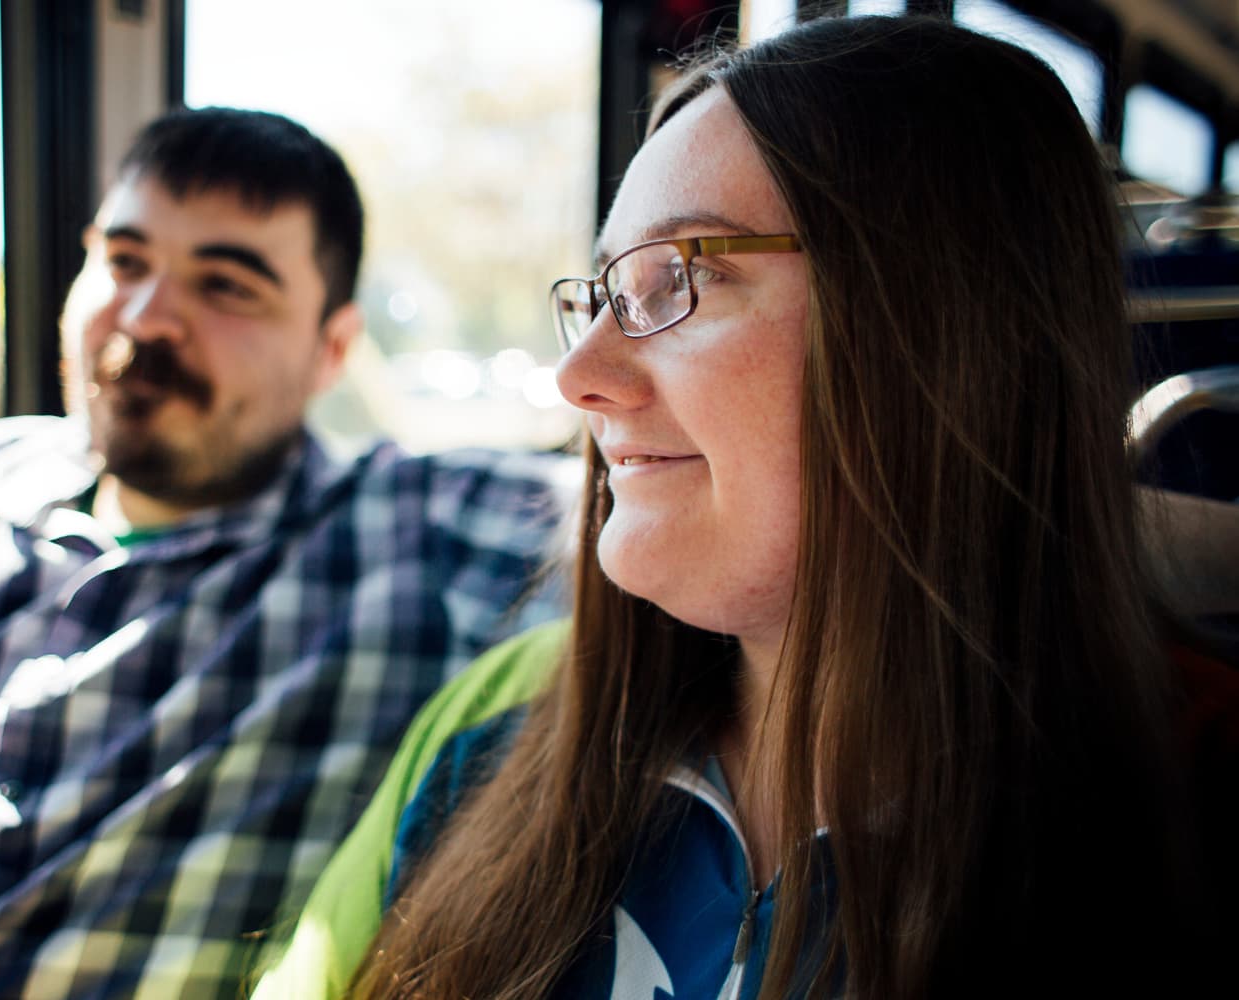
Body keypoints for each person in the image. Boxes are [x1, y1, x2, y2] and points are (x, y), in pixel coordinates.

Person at [254, 16, 1232, 999]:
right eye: (598, 295)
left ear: (937, 327)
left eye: (678, 278)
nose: (578, 375)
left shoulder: (1182, 816)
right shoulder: (492, 741)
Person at [0, 108, 569, 998]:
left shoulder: (425, 540)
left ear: (331, 351)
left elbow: (675, 517)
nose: (146, 317)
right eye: (125, 262)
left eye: (226, 285)